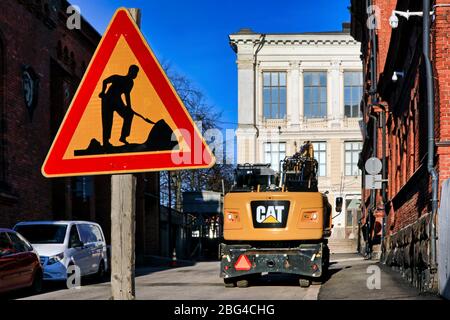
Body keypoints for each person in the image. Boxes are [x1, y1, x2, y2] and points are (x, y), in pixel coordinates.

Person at [99, 65, 139, 148]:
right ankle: (106, 142)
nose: (136, 74)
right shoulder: (117, 77)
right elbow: (105, 81)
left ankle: (123, 137)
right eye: (135, 72)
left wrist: (129, 107)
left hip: (117, 100)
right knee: (108, 121)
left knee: (129, 115)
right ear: (130, 71)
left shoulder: (130, 83)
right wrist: (103, 92)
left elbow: (127, 94)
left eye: (136, 73)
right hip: (108, 100)